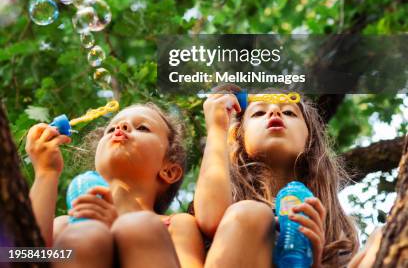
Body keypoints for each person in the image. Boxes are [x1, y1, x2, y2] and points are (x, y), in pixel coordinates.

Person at [26, 102, 205, 268]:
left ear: (169, 171)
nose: (120, 127)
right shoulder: (66, 226)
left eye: (142, 128)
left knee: (140, 225)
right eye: (111, 128)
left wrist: (120, 232)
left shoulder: (176, 225)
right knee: (82, 235)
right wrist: (45, 173)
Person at [194, 88, 359, 267]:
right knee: (250, 213)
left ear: (311, 138)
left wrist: (315, 262)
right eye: (258, 112)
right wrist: (217, 129)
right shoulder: (229, 205)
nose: (274, 111)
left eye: (289, 112)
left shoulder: (336, 232)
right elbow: (211, 220)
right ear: (238, 138)